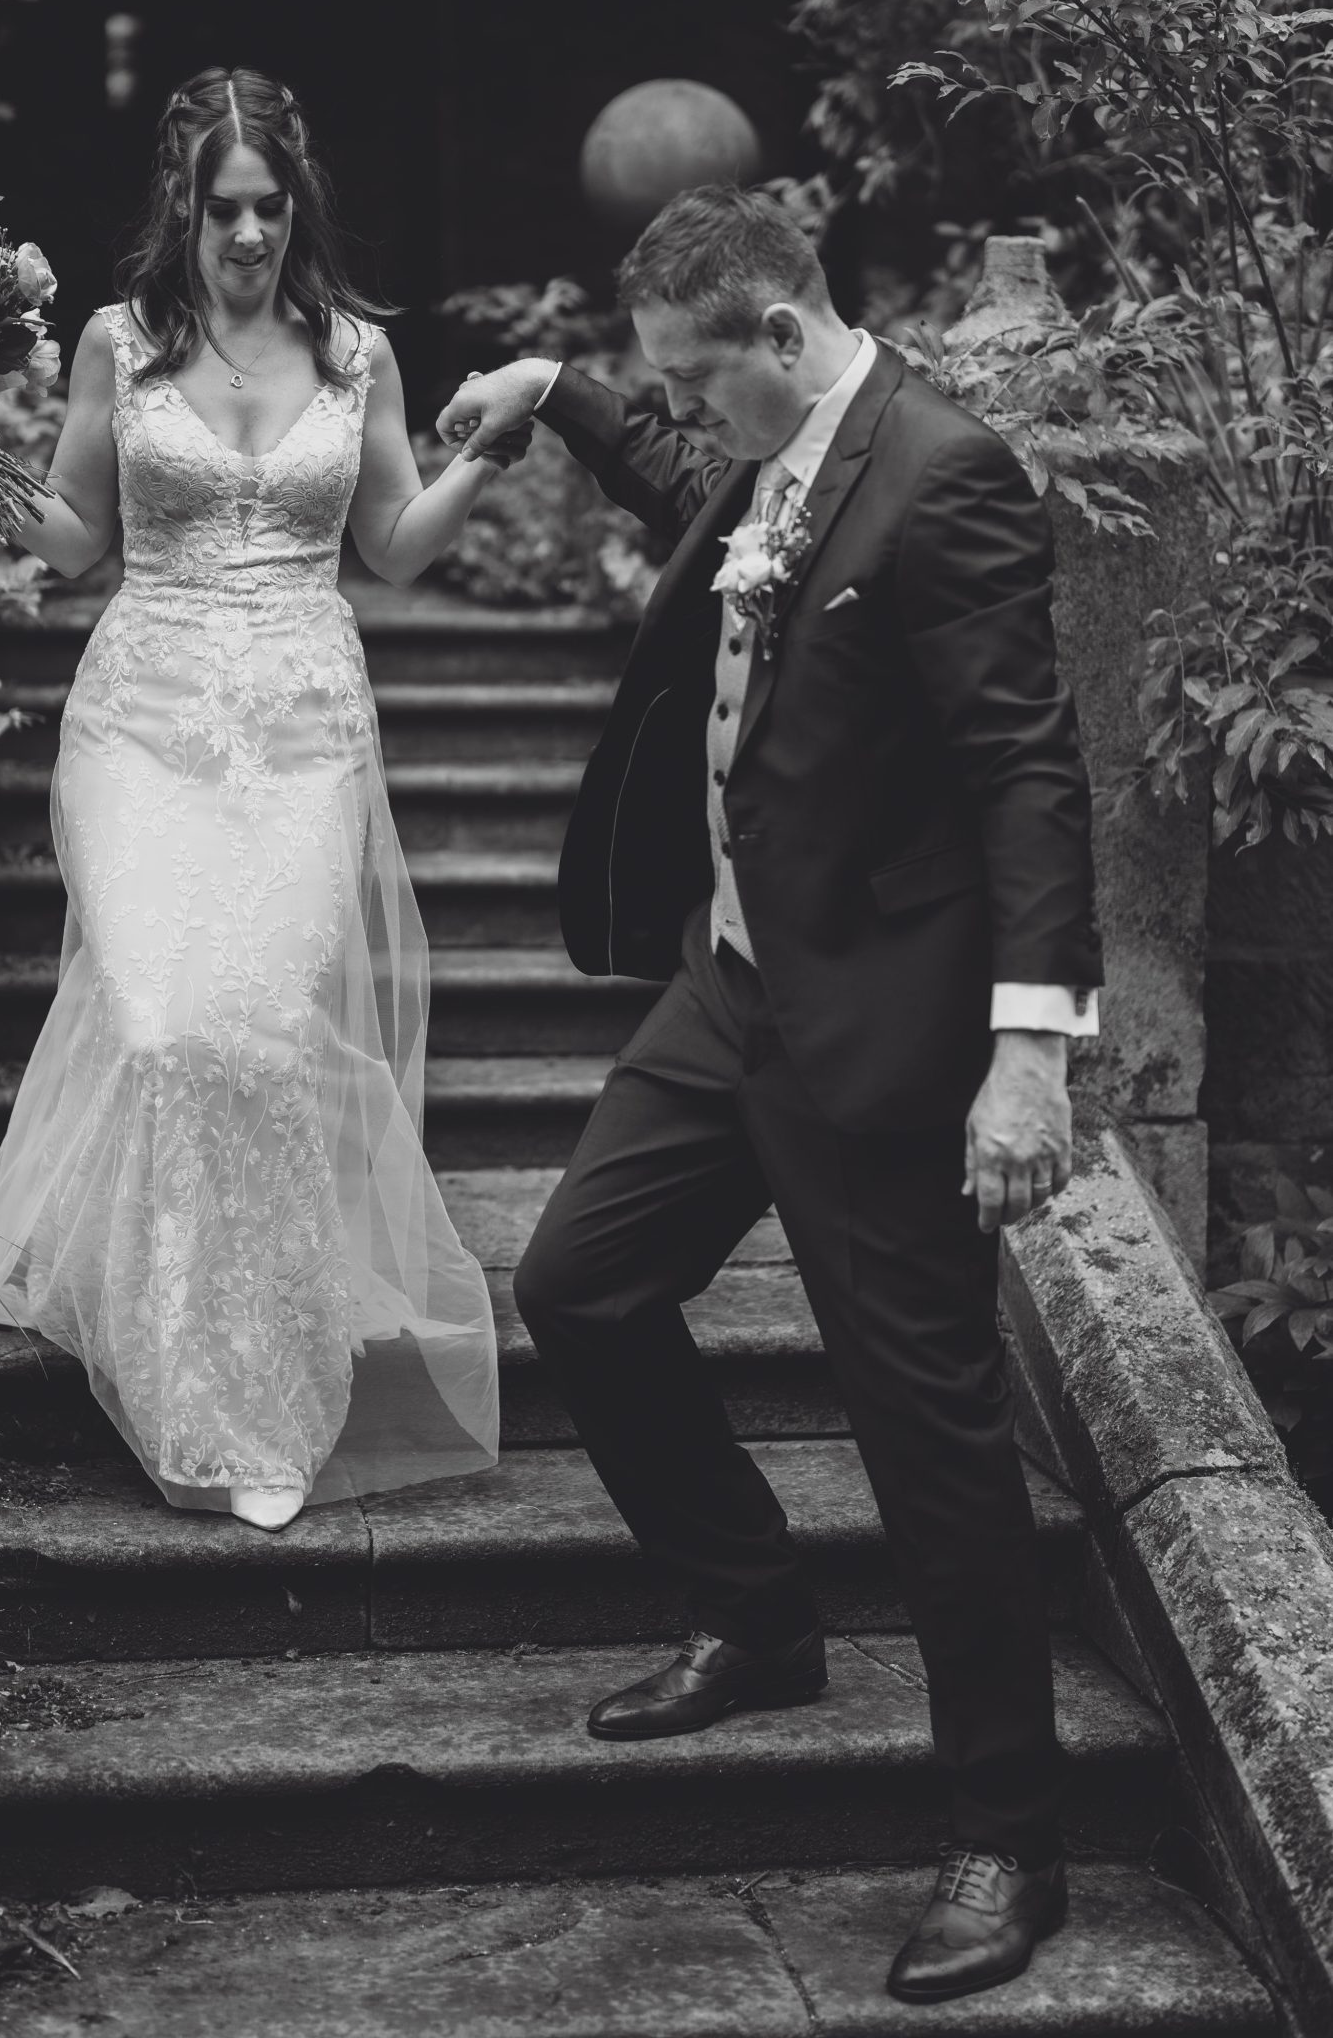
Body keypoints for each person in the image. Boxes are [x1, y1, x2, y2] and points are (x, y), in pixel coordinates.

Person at [438, 182, 1102, 2006]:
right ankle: (754, 1614)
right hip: (725, 992)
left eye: (689, 375)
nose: (680, 408)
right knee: (580, 1285)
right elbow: (679, 478)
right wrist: (553, 392)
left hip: (876, 1027)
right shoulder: (775, 450)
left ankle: (1008, 1835)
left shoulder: (944, 475)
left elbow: (1027, 772)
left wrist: (1026, 1052)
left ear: (782, 338)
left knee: (928, 1439)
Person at [0, 66, 511, 1531]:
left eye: (268, 208)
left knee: (253, 1036)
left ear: (297, 204)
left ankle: (254, 1391)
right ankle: (172, 1365)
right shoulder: (119, 345)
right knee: (161, 1027)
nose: (249, 235)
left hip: (305, 738)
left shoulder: (359, 356)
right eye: (222, 211)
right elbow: (76, 538)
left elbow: (393, 544)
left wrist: (489, 457)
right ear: (182, 211)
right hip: (142, 725)